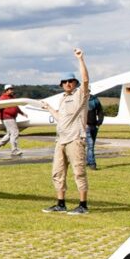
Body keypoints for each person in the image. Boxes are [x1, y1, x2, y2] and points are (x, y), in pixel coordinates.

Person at [39, 48, 90, 215]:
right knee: (57, 172)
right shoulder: (62, 99)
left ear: (75, 83)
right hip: (60, 140)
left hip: (75, 139)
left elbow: (86, 79)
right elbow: (61, 118)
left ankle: (83, 205)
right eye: (65, 81)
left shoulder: (80, 95)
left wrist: (80, 59)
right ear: (61, 84)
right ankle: (61, 203)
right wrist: (49, 108)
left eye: (71, 81)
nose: (68, 83)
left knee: (79, 172)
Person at [0, 84, 24, 157]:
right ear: (6, 90)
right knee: (15, 132)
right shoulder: (2, 98)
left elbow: (16, 107)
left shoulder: (12, 97)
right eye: (10, 89)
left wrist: (22, 113)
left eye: (12, 89)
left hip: (12, 117)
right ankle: (14, 150)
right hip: (7, 117)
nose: (12, 90)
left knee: (9, 134)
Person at [85, 94, 105, 169]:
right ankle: (92, 164)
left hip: (94, 126)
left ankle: (88, 160)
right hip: (85, 126)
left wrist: (99, 122)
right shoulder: (80, 99)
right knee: (90, 144)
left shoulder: (94, 99)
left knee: (91, 145)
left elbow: (100, 111)